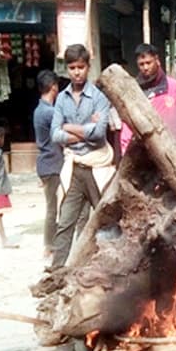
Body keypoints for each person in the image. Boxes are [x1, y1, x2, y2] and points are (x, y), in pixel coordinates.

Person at [49, 44, 112, 269]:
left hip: (98, 167)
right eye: (72, 67)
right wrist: (84, 129)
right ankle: (56, 273)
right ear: (67, 69)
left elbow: (99, 134)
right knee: (65, 222)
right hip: (74, 167)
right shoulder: (62, 98)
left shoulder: (99, 98)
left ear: (88, 67)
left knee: (108, 220)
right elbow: (54, 134)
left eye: (81, 67)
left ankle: (114, 270)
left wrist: (69, 127)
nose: (77, 72)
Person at [121, 44, 176, 154]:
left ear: (157, 60)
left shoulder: (173, 87)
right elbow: (127, 126)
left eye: (148, 63)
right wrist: (126, 151)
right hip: (141, 155)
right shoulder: (133, 90)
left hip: (170, 153)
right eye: (141, 64)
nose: (145, 68)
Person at [33, 70, 64, 258]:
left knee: (54, 204)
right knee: (53, 206)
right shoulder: (49, 112)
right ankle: (49, 245)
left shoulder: (39, 110)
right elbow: (61, 133)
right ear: (53, 87)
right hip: (52, 163)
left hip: (46, 163)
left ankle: (52, 242)